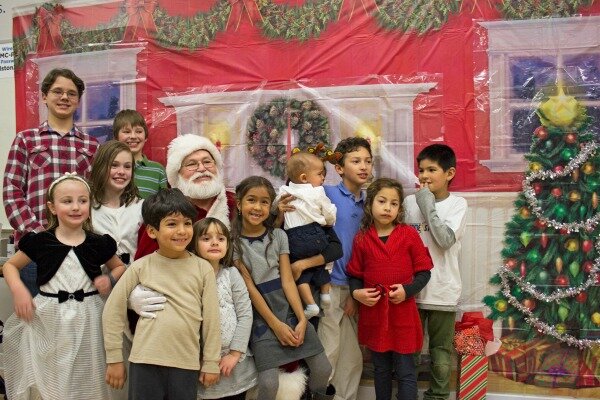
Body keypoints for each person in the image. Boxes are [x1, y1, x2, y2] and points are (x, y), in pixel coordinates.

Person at [2, 173, 126, 400]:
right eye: (67, 201)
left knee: (88, 374)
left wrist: (108, 279)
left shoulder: (98, 242)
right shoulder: (40, 241)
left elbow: (119, 267)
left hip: (89, 317)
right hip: (49, 320)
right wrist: (19, 290)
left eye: (83, 200)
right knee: (53, 376)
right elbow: (10, 266)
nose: (76, 207)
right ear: (52, 207)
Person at [102, 188, 222, 400]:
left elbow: (212, 319)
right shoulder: (140, 267)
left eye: (187, 223)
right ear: (151, 231)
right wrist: (114, 359)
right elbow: (112, 310)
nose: (182, 230)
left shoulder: (203, 269)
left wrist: (212, 361)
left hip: (186, 363)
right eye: (172, 224)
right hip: (144, 361)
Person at [232, 176, 335, 400]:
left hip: (289, 310)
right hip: (262, 318)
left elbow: (288, 281)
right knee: (269, 384)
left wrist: (301, 318)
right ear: (239, 204)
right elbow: (250, 289)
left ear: (271, 207)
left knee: (323, 369)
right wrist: (275, 325)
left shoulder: (278, 236)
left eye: (264, 202)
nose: (257, 207)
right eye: (251, 200)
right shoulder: (233, 244)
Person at [3, 68, 99, 296]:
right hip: (35, 253)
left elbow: (98, 198)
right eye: (57, 91)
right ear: (44, 96)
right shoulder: (26, 140)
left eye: (71, 93)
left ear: (78, 100)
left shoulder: (92, 145)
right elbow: (11, 191)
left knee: (76, 318)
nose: (64, 97)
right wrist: (38, 235)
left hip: (79, 250)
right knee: (38, 322)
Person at [348, 178, 433, 400]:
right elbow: (355, 276)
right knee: (381, 370)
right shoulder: (362, 239)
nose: (388, 208)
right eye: (382, 201)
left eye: (394, 204)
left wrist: (408, 290)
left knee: (406, 372)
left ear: (400, 209)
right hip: (375, 316)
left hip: (403, 315)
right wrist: (357, 293)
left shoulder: (409, 235)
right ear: (370, 205)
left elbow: (424, 272)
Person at [403, 144, 468, 400]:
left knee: (441, 352)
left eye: (432, 169)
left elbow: (444, 240)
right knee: (410, 351)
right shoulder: (408, 202)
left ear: (449, 173)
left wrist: (427, 203)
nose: (424, 176)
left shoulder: (457, 204)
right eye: (421, 170)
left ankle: (438, 397)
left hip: (443, 291)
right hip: (411, 291)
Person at [317, 137, 373, 400]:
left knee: (351, 360)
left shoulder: (371, 205)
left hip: (353, 290)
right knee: (328, 352)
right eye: (356, 161)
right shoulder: (326, 194)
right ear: (339, 168)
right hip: (327, 287)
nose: (363, 166)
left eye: (368, 161)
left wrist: (356, 290)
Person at [89, 140, 144, 400]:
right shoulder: (88, 207)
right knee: (102, 355)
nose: (122, 171)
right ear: (102, 166)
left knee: (131, 353)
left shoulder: (140, 206)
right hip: (97, 286)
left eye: (127, 166)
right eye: (115, 165)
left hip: (134, 287)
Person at [133, 134, 236, 259]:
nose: (202, 168)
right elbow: (145, 263)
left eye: (207, 162)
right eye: (191, 164)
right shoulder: (162, 208)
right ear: (177, 173)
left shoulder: (236, 204)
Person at [190, 217, 258, 400]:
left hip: (233, 362)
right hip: (202, 363)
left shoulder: (231, 274)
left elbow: (245, 315)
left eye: (221, 239)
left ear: (228, 245)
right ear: (194, 244)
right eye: (206, 238)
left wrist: (235, 353)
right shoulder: (189, 278)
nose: (214, 242)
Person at [276, 150, 337, 319]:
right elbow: (328, 211)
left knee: (300, 272)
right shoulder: (318, 192)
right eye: (319, 174)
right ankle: (325, 294)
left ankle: (311, 305)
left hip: (293, 237)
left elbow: (276, 206)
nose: (323, 179)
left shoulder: (284, 191)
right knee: (324, 261)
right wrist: (330, 220)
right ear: (304, 178)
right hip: (315, 232)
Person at [113, 109, 167, 199]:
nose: (133, 136)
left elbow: (164, 206)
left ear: (145, 137)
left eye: (138, 131)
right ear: (116, 137)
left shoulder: (158, 170)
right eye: (127, 132)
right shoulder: (108, 168)